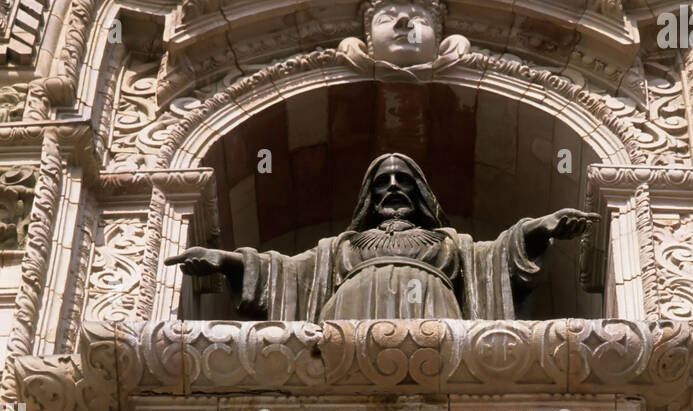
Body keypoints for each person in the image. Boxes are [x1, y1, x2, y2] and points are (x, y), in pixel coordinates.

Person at [166, 152, 598, 320]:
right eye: (383, 183)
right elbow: (284, 271)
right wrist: (226, 261)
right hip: (349, 311)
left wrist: (543, 227)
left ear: (420, 194)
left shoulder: (452, 244)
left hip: (435, 310)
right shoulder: (339, 248)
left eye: (403, 182)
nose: (393, 188)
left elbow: (499, 255)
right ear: (370, 197)